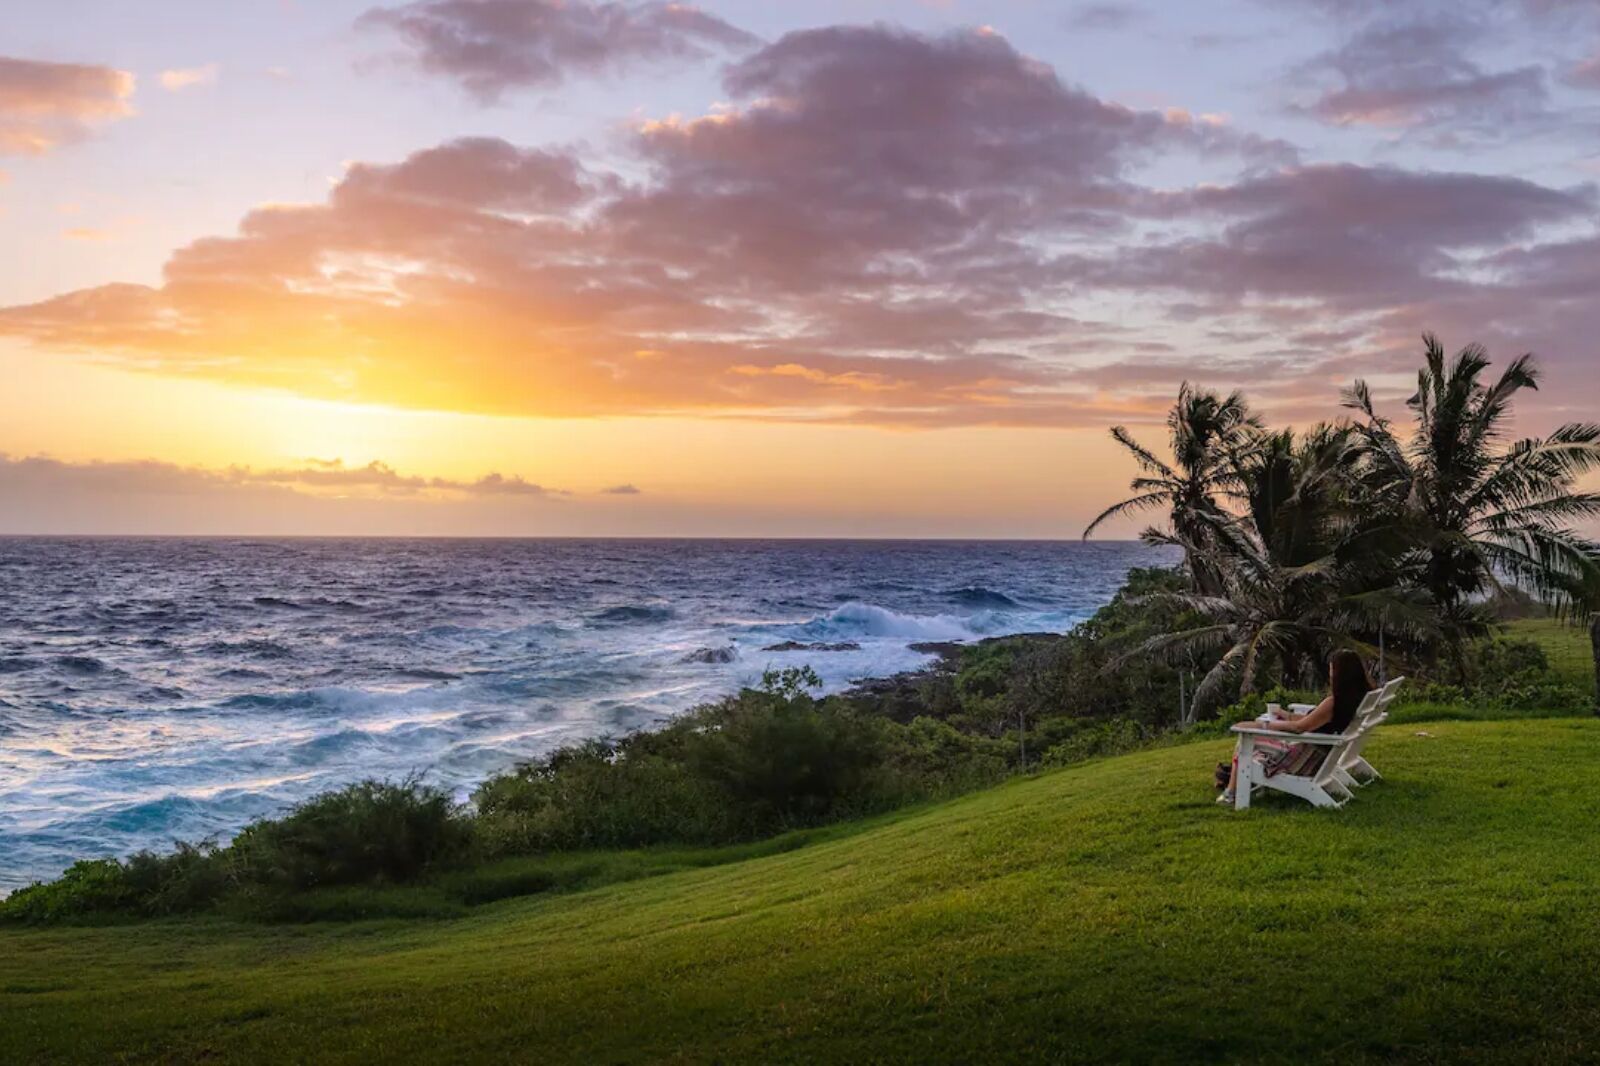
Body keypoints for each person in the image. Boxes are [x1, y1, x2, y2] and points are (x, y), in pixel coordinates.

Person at [1216, 649, 1374, 806]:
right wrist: (1286, 715)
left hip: (1303, 760)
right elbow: (1313, 721)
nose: (1330, 674)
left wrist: (1261, 725)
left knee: (1245, 740)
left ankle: (1230, 793)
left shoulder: (1333, 703)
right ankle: (1235, 784)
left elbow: (1299, 728)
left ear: (1340, 673)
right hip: (1321, 758)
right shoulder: (1355, 699)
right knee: (1253, 746)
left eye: (1332, 669)